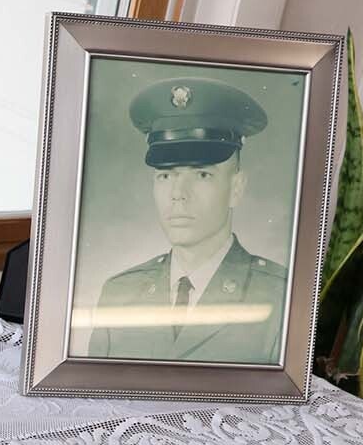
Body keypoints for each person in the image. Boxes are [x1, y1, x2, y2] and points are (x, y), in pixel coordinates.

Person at [88, 77, 287, 364]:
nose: (178, 194)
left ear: (236, 188)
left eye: (202, 174)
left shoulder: (281, 298)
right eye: (165, 175)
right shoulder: (118, 293)